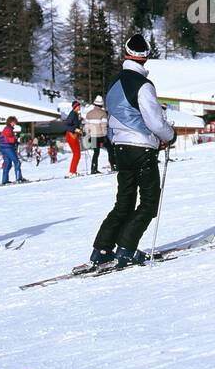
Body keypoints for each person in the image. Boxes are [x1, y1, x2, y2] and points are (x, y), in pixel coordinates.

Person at [90, 33, 177, 269]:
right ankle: (126, 249)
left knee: (124, 202)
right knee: (149, 202)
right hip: (141, 148)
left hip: (120, 147)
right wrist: (170, 136)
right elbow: (155, 122)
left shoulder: (114, 83)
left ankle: (102, 249)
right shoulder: (143, 85)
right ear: (146, 56)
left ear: (126, 53)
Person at [85, 95, 110, 173]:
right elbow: (104, 126)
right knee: (110, 149)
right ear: (101, 104)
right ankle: (113, 165)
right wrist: (105, 135)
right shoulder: (103, 114)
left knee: (96, 153)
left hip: (92, 136)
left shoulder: (89, 113)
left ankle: (93, 168)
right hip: (101, 136)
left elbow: (86, 126)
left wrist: (88, 134)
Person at [0, 116, 23, 186]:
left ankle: (4, 180)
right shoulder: (8, 129)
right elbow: (8, 139)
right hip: (8, 148)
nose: (14, 124)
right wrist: (15, 139)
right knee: (17, 162)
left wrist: (14, 140)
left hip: (4, 148)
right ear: (10, 122)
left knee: (8, 164)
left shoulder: (6, 129)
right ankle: (19, 178)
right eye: (13, 122)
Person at [64, 100, 84, 177]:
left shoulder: (75, 114)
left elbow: (74, 124)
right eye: (78, 106)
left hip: (73, 135)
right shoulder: (73, 114)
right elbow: (67, 125)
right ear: (75, 107)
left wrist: (79, 121)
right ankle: (72, 172)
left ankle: (73, 171)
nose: (79, 107)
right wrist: (75, 129)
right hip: (71, 136)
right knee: (77, 154)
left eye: (79, 106)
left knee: (77, 154)